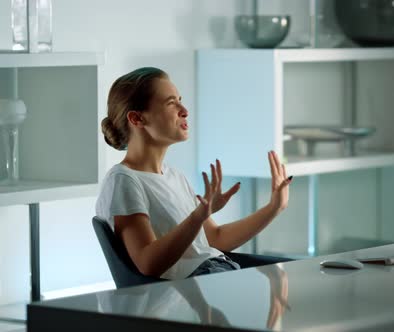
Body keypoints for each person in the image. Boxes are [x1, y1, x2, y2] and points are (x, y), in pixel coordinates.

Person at [95, 67, 293, 280]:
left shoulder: (174, 176)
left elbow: (215, 239)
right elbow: (147, 263)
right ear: (136, 119)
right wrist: (198, 216)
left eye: (180, 100)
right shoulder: (124, 180)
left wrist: (274, 208)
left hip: (220, 272)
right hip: (191, 290)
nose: (184, 110)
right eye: (171, 103)